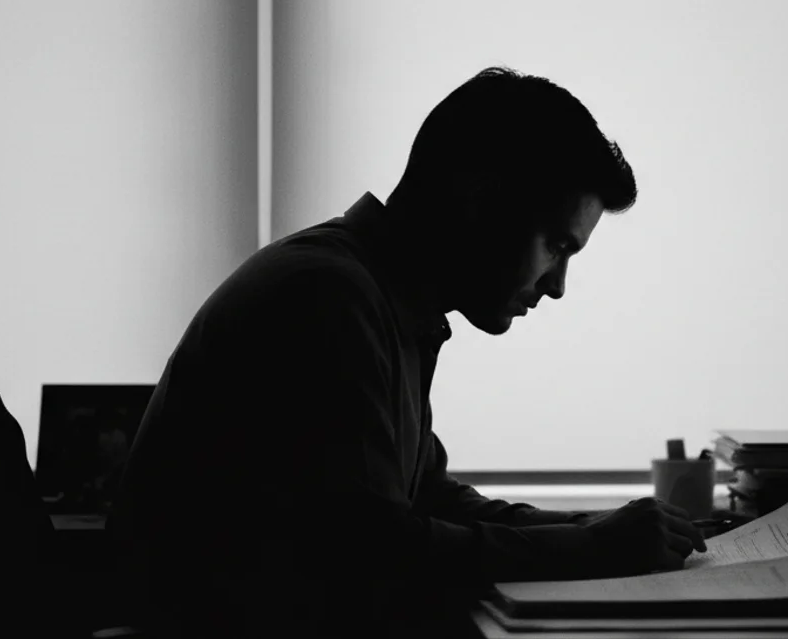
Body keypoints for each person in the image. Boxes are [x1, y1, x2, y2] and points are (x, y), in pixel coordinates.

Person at [109, 66, 706, 638]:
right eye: (556, 246)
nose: (557, 285)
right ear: (482, 199)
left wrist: (590, 526)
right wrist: (588, 546)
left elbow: (429, 500)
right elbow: (374, 552)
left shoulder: (384, 301)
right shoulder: (328, 299)